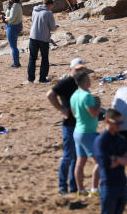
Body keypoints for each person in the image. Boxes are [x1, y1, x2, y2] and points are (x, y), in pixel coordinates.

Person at [47, 58, 88, 194]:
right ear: (71, 69)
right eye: (77, 69)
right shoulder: (66, 82)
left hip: (81, 125)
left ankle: (74, 186)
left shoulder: (81, 82)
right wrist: (61, 109)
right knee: (68, 156)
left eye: (82, 69)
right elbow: (50, 94)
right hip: (69, 125)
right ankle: (62, 187)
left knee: (77, 157)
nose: (80, 71)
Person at [94, 108, 127, 214]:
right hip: (109, 187)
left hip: (123, 186)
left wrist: (115, 158)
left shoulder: (122, 139)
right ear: (107, 121)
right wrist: (121, 159)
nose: (120, 125)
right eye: (117, 122)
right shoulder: (101, 140)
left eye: (121, 122)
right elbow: (106, 164)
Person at [70, 69, 101, 194]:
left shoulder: (74, 95)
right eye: (88, 79)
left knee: (80, 162)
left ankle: (80, 189)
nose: (90, 80)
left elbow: (74, 114)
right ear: (85, 81)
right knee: (100, 160)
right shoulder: (86, 96)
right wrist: (98, 105)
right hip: (87, 132)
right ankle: (94, 188)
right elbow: (94, 114)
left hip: (78, 131)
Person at [28, 0, 57, 83]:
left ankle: (30, 78)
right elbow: (52, 28)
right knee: (44, 58)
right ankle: (42, 78)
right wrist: (56, 27)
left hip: (33, 37)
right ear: (50, 5)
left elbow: (33, 21)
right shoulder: (48, 13)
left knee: (32, 58)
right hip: (43, 38)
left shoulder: (35, 10)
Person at [2, 0, 23, 67]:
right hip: (13, 26)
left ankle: (16, 63)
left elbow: (11, 19)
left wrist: (5, 19)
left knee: (13, 47)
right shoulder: (13, 5)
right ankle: (16, 62)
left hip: (13, 27)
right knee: (13, 46)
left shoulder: (15, 5)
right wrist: (4, 17)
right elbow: (10, 17)